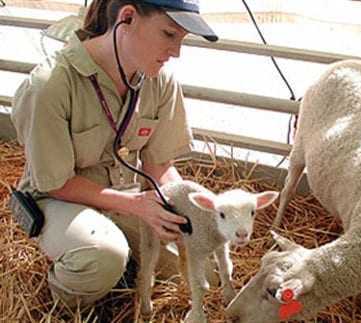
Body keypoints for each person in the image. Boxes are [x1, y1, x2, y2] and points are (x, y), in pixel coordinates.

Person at [10, 0, 217, 308]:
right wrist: (137, 205)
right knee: (102, 256)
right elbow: (56, 183)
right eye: (169, 34)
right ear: (128, 17)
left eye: (182, 40)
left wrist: (190, 206)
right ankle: (63, 304)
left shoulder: (160, 80)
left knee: (202, 268)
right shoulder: (49, 86)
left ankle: (119, 268)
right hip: (60, 199)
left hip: (126, 199)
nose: (176, 52)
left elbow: (159, 164)